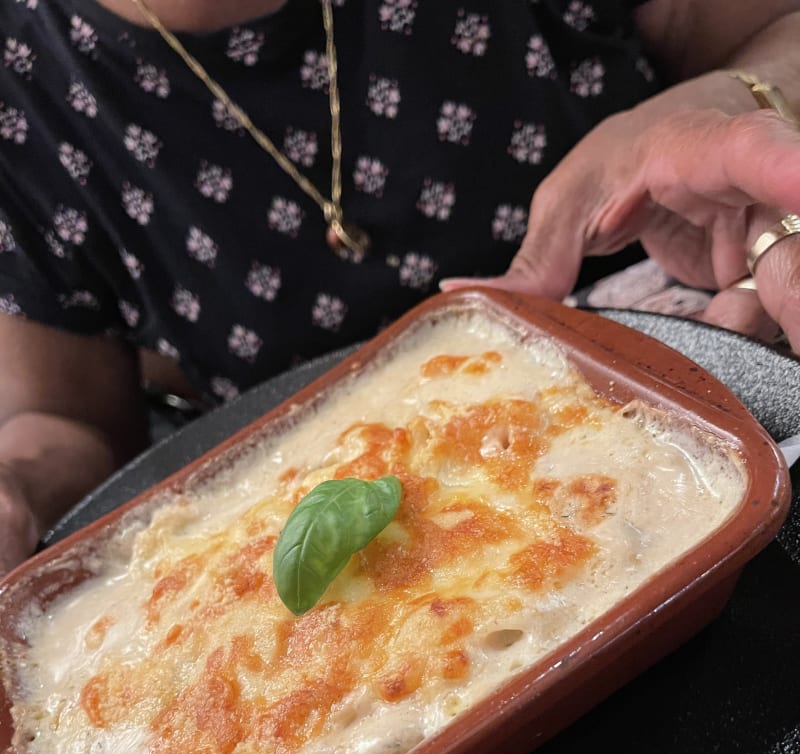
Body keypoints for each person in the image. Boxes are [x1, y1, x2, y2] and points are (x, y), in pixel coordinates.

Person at [0, 0, 798, 577]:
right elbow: (65, 422)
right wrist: (16, 488)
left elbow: (778, 31)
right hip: (315, 585)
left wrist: (752, 105)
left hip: (726, 392)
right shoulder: (20, 81)